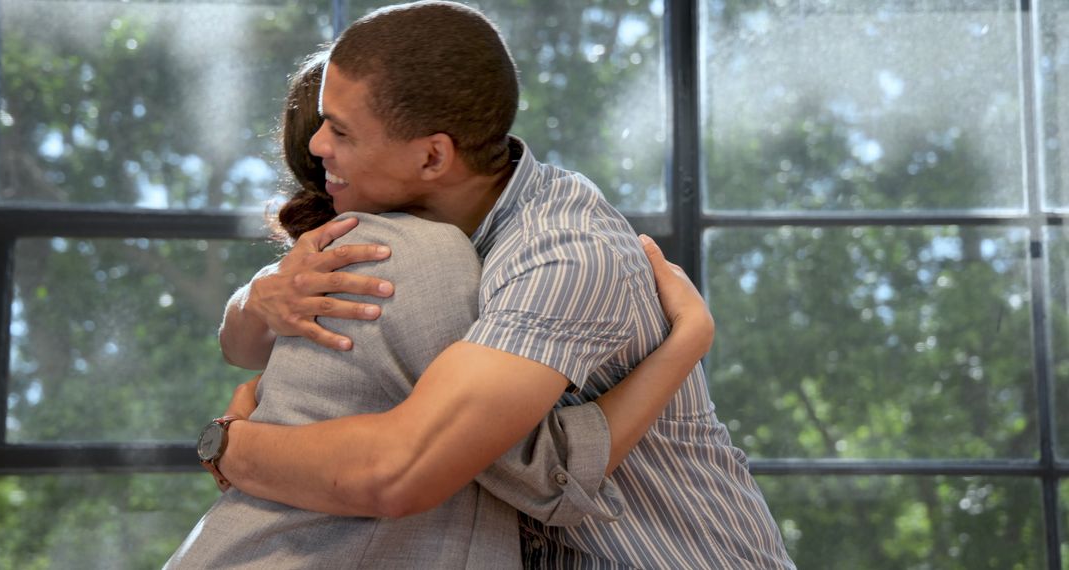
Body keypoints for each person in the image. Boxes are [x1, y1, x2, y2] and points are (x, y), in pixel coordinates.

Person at [214, 2, 794, 568]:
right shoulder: (403, 236)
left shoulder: (563, 254)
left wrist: (228, 446)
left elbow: (411, 471)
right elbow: (241, 347)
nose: (319, 147)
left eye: (339, 132)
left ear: (433, 156)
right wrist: (263, 295)